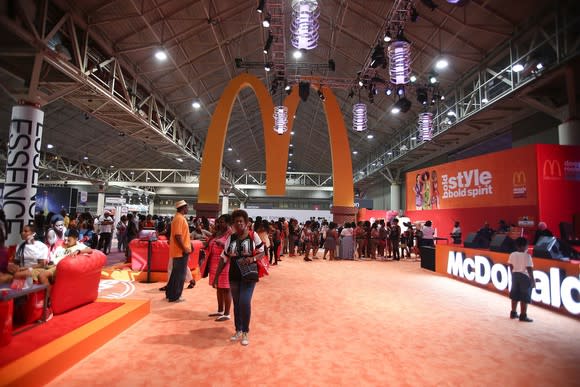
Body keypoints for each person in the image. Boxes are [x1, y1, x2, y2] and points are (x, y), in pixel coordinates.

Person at [215, 209, 264, 346]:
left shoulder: (253, 236)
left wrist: (252, 258)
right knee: (237, 304)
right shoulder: (231, 238)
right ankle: (238, 329)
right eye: (236, 222)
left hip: (249, 274)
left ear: (246, 223)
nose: (239, 224)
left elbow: (262, 252)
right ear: (233, 224)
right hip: (234, 274)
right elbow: (224, 257)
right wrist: (216, 277)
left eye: (241, 221)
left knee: (244, 301)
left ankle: (246, 331)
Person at [165, 200, 193, 303]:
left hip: (178, 250)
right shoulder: (179, 219)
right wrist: (184, 248)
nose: (188, 209)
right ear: (183, 207)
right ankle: (175, 296)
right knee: (180, 275)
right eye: (187, 207)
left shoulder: (178, 218)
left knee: (175, 274)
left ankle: (170, 294)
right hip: (180, 251)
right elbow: (178, 236)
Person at [207, 214, 232, 321]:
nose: (220, 224)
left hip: (225, 262)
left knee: (226, 288)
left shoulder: (231, 233)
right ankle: (220, 310)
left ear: (228, 223)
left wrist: (221, 243)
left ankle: (227, 313)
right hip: (215, 262)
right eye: (219, 222)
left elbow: (231, 248)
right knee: (218, 287)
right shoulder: (217, 232)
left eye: (222, 222)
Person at [507, 237, 536, 322]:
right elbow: (529, 269)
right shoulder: (527, 256)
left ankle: (513, 313)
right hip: (524, 277)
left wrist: (512, 273)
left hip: (515, 275)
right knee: (524, 297)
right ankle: (523, 315)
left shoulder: (512, 254)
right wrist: (532, 280)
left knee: (514, 295)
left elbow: (510, 265)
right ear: (525, 246)